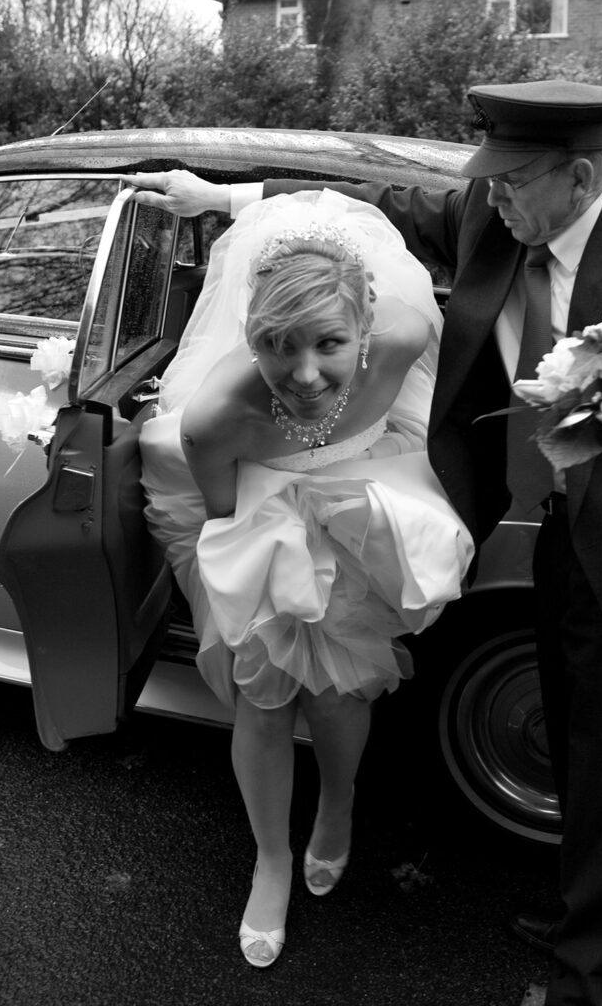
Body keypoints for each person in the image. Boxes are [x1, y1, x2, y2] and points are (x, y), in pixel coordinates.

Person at [127, 79, 602, 1004]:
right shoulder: (488, 210)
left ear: (581, 176)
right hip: (550, 531)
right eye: (491, 182)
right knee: (574, 737)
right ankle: (585, 916)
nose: (492, 197)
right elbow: (379, 205)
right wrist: (224, 199)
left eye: (513, 184)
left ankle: (599, 977)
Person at [138, 188, 473, 969]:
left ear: (366, 327)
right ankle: (271, 857)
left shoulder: (404, 335)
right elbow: (224, 521)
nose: (306, 373)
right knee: (263, 697)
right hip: (258, 527)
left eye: (327, 342)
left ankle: (337, 805)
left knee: (340, 689)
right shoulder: (215, 418)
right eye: (278, 345)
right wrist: (281, 571)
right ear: (250, 336)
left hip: (360, 512)